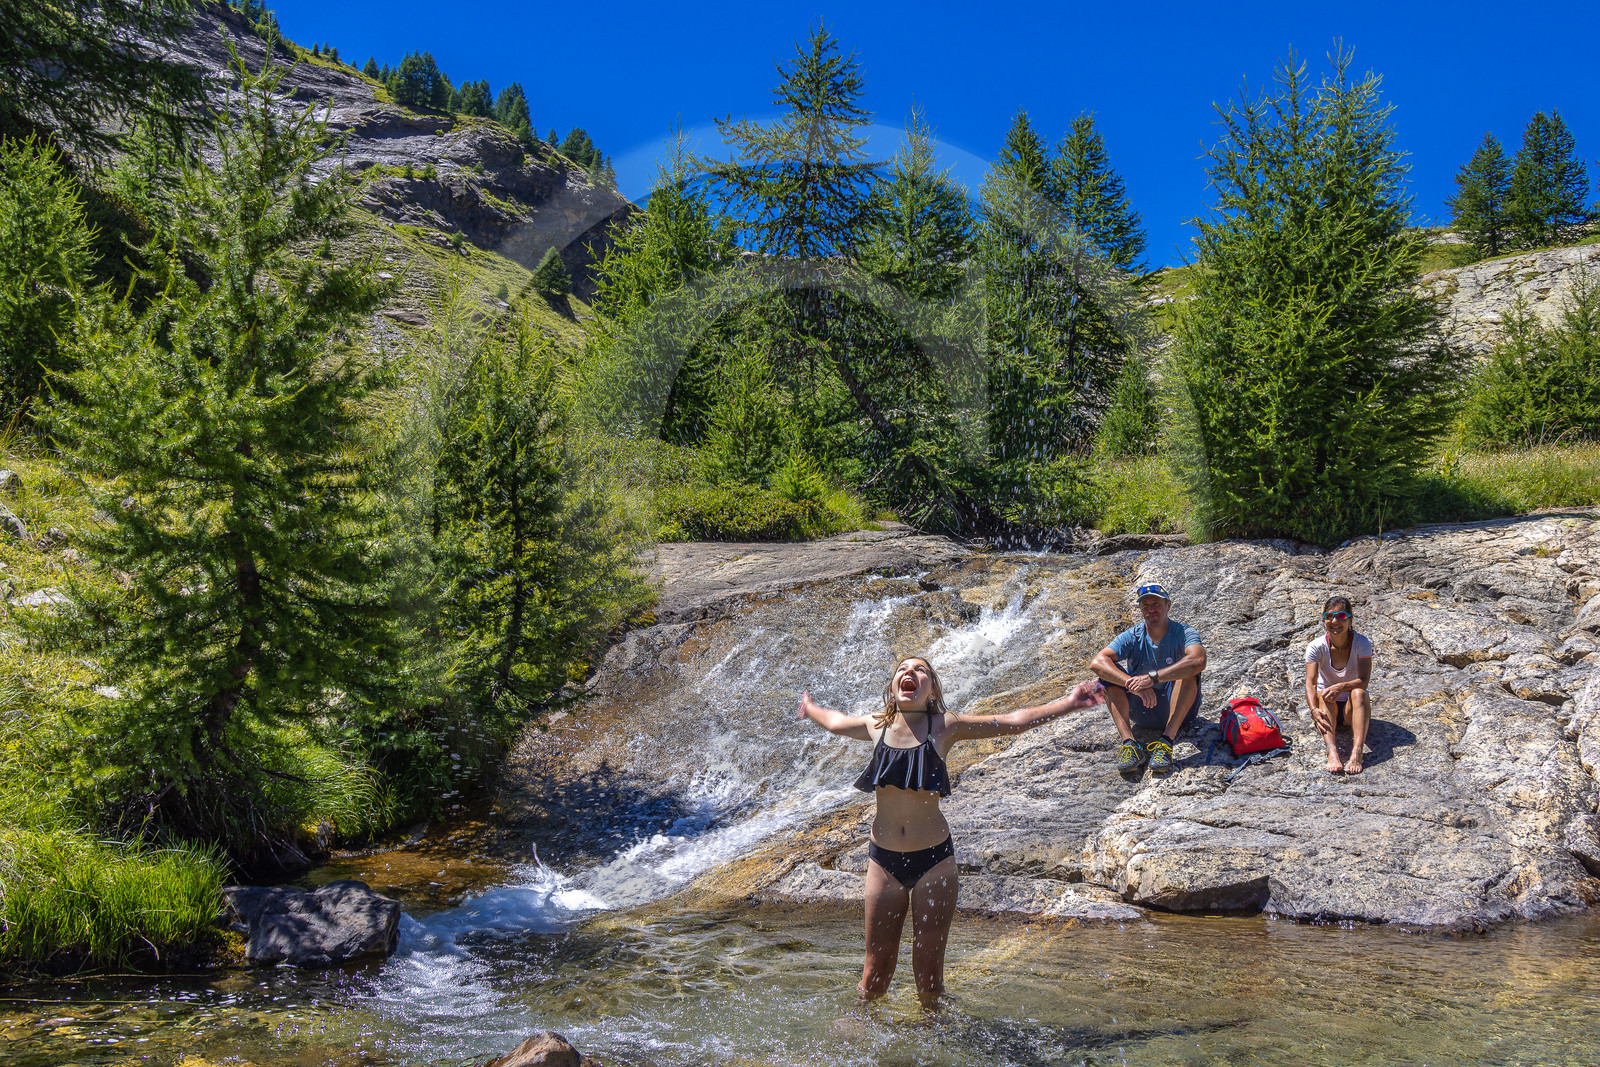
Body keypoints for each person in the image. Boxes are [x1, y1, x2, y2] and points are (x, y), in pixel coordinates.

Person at [797, 658, 1104, 1010]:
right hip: (883, 863)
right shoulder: (876, 725)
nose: (909, 673)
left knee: (929, 980)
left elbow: (1011, 723)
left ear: (932, 692)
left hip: (933, 863)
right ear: (894, 688)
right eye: (902, 669)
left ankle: (933, 1040)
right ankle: (861, 1036)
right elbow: (835, 723)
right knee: (873, 974)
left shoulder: (944, 726)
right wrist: (811, 708)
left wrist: (1070, 703)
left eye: (920, 670)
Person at [1088, 582, 1207, 775]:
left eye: (1156, 604)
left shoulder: (1184, 632)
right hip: (1142, 710)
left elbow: (1198, 660)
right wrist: (1132, 684)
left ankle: (1166, 743)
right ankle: (1129, 744)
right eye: (1146, 605)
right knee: (1106, 675)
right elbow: (1097, 663)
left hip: (1179, 711)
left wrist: (1153, 678)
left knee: (1189, 670)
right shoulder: (1133, 636)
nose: (1151, 609)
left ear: (1168, 605)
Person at [1304, 595, 1373, 775]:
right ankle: (1332, 751)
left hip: (1353, 709)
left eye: (1341, 616)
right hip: (1328, 708)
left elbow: (1364, 681)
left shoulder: (1362, 643)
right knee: (1323, 694)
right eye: (1329, 616)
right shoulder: (1316, 646)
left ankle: (1357, 752)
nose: (1335, 621)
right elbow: (1310, 682)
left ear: (1350, 620)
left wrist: (1341, 686)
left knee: (1359, 693)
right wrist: (1313, 709)